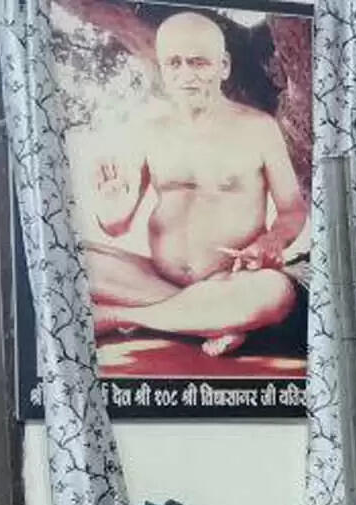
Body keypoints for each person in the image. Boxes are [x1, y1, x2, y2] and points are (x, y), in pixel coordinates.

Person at [82, 11, 308, 359]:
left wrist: (270, 242)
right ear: (162, 68)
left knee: (274, 293)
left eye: (198, 62)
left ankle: (119, 316)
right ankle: (211, 319)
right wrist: (111, 207)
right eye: (174, 63)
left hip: (233, 281)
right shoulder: (149, 131)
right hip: (159, 280)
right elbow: (117, 226)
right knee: (78, 260)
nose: (186, 74)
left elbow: (292, 211)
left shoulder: (259, 128)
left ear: (224, 66)